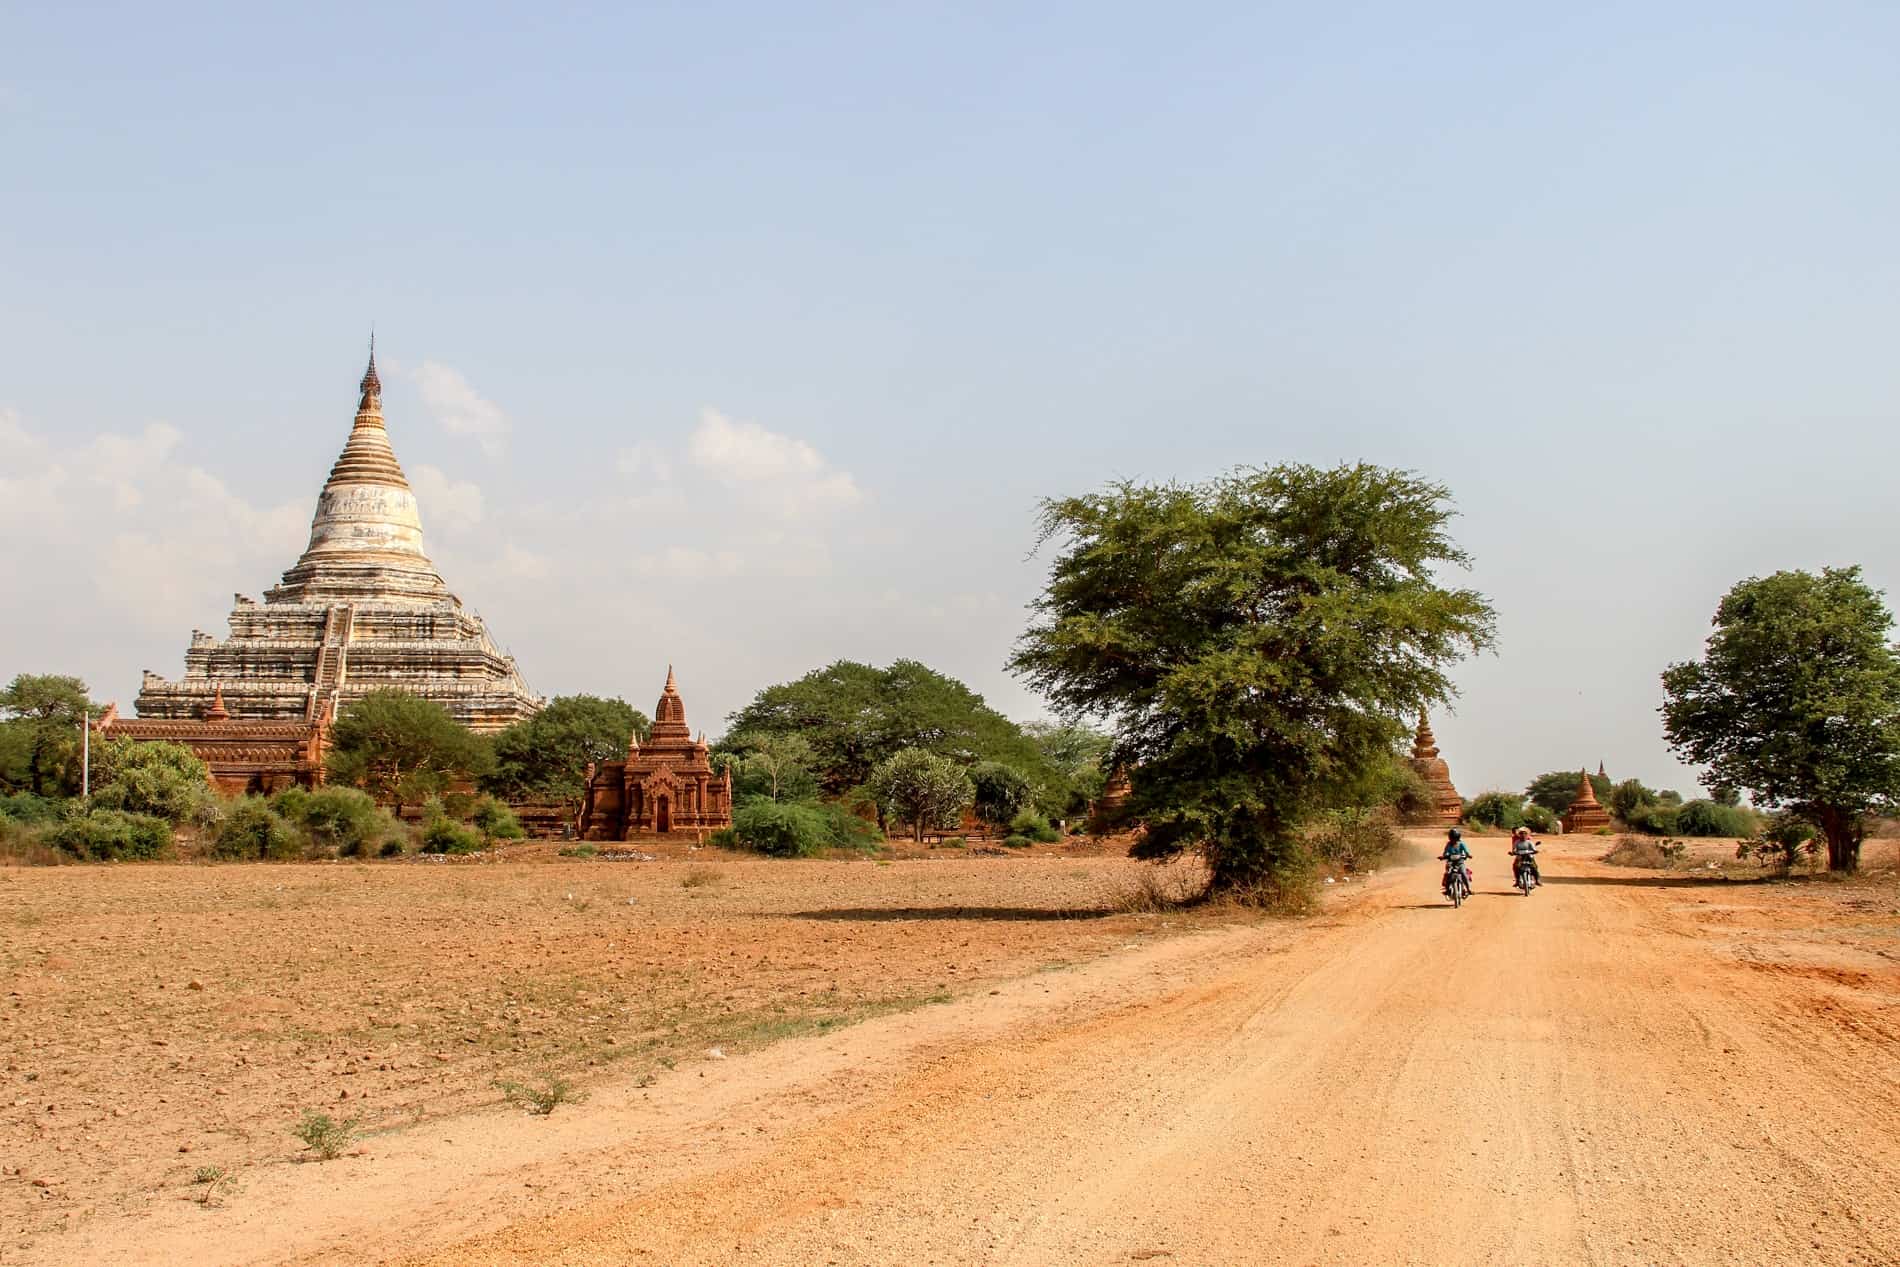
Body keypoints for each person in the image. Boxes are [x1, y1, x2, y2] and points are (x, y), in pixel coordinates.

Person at [1439, 827, 1472, 896]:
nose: (1453, 840)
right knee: (1448, 874)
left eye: (1455, 838)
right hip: (1450, 862)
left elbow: (1466, 851)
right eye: (1452, 838)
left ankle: (1468, 889)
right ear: (1450, 838)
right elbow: (1445, 852)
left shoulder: (1461, 844)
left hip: (1460, 862)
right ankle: (1447, 889)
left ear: (1458, 838)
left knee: (1463, 873)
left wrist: (1468, 855)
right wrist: (1443, 856)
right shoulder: (1448, 844)